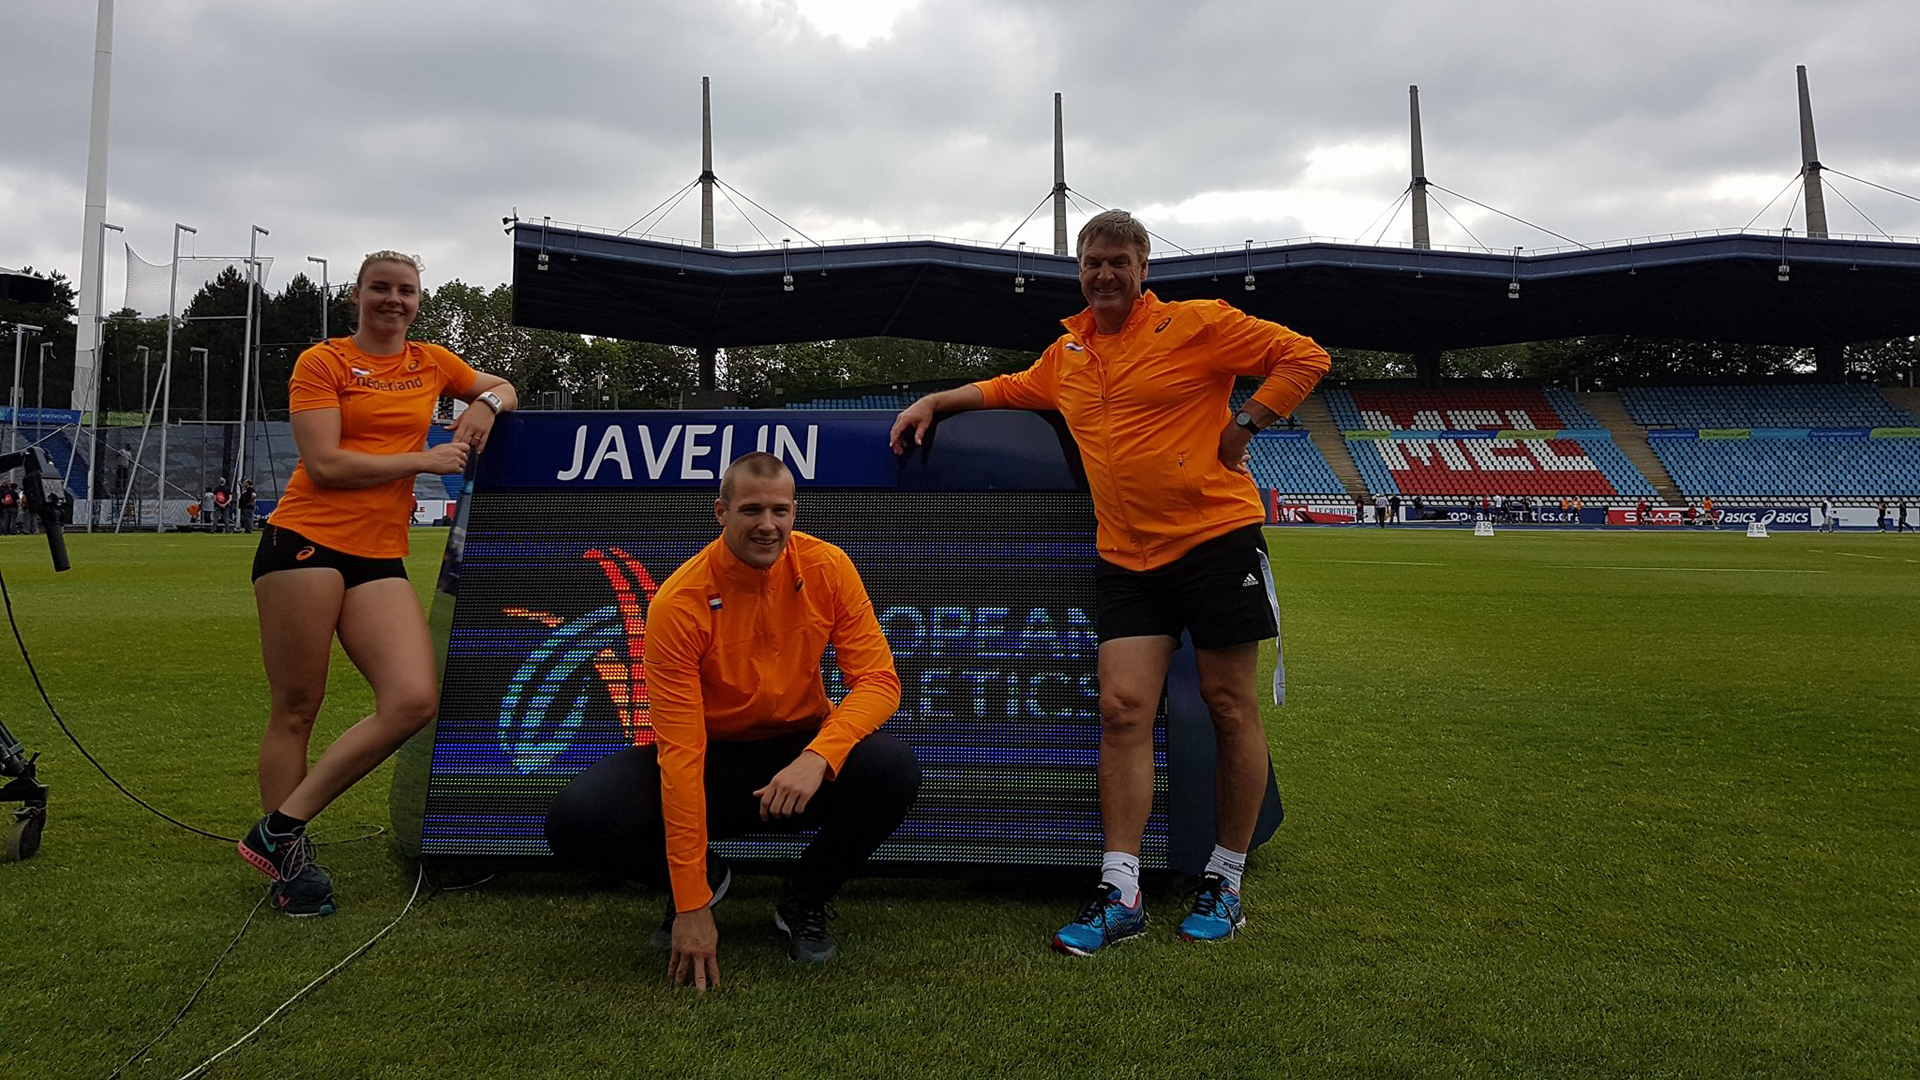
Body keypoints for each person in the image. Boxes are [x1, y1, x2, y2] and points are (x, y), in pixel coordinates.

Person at [889, 209, 1330, 954]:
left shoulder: (1197, 323)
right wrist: (936, 400)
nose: (1105, 274)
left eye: (1120, 261)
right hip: (1128, 558)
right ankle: (1119, 889)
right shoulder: (1067, 355)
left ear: (1144, 269)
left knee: (1229, 705)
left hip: (1215, 541)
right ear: (1081, 269)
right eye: (1094, 261)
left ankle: (1224, 880)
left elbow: (1306, 356)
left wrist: (1246, 424)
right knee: (1123, 710)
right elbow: (1005, 389)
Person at [544, 453, 920, 988]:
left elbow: (881, 682)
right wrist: (691, 897)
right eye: (751, 510)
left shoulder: (828, 566)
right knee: (576, 818)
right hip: (711, 758)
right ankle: (710, 880)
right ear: (720, 512)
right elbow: (680, 753)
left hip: (798, 753)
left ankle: (804, 899)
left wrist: (819, 756)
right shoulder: (678, 602)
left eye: (780, 510)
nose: (768, 525)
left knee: (893, 767)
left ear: (795, 511)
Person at [237, 250, 518, 917]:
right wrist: (427, 457)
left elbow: (503, 383)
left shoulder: (431, 360)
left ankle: (279, 828)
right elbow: (326, 463)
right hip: (304, 543)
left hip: (376, 556)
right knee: (297, 707)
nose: (394, 300)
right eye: (381, 289)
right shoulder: (324, 362)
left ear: (419, 301)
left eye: (406, 291)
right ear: (357, 295)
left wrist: (483, 403)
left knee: (413, 699)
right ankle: (289, 868)